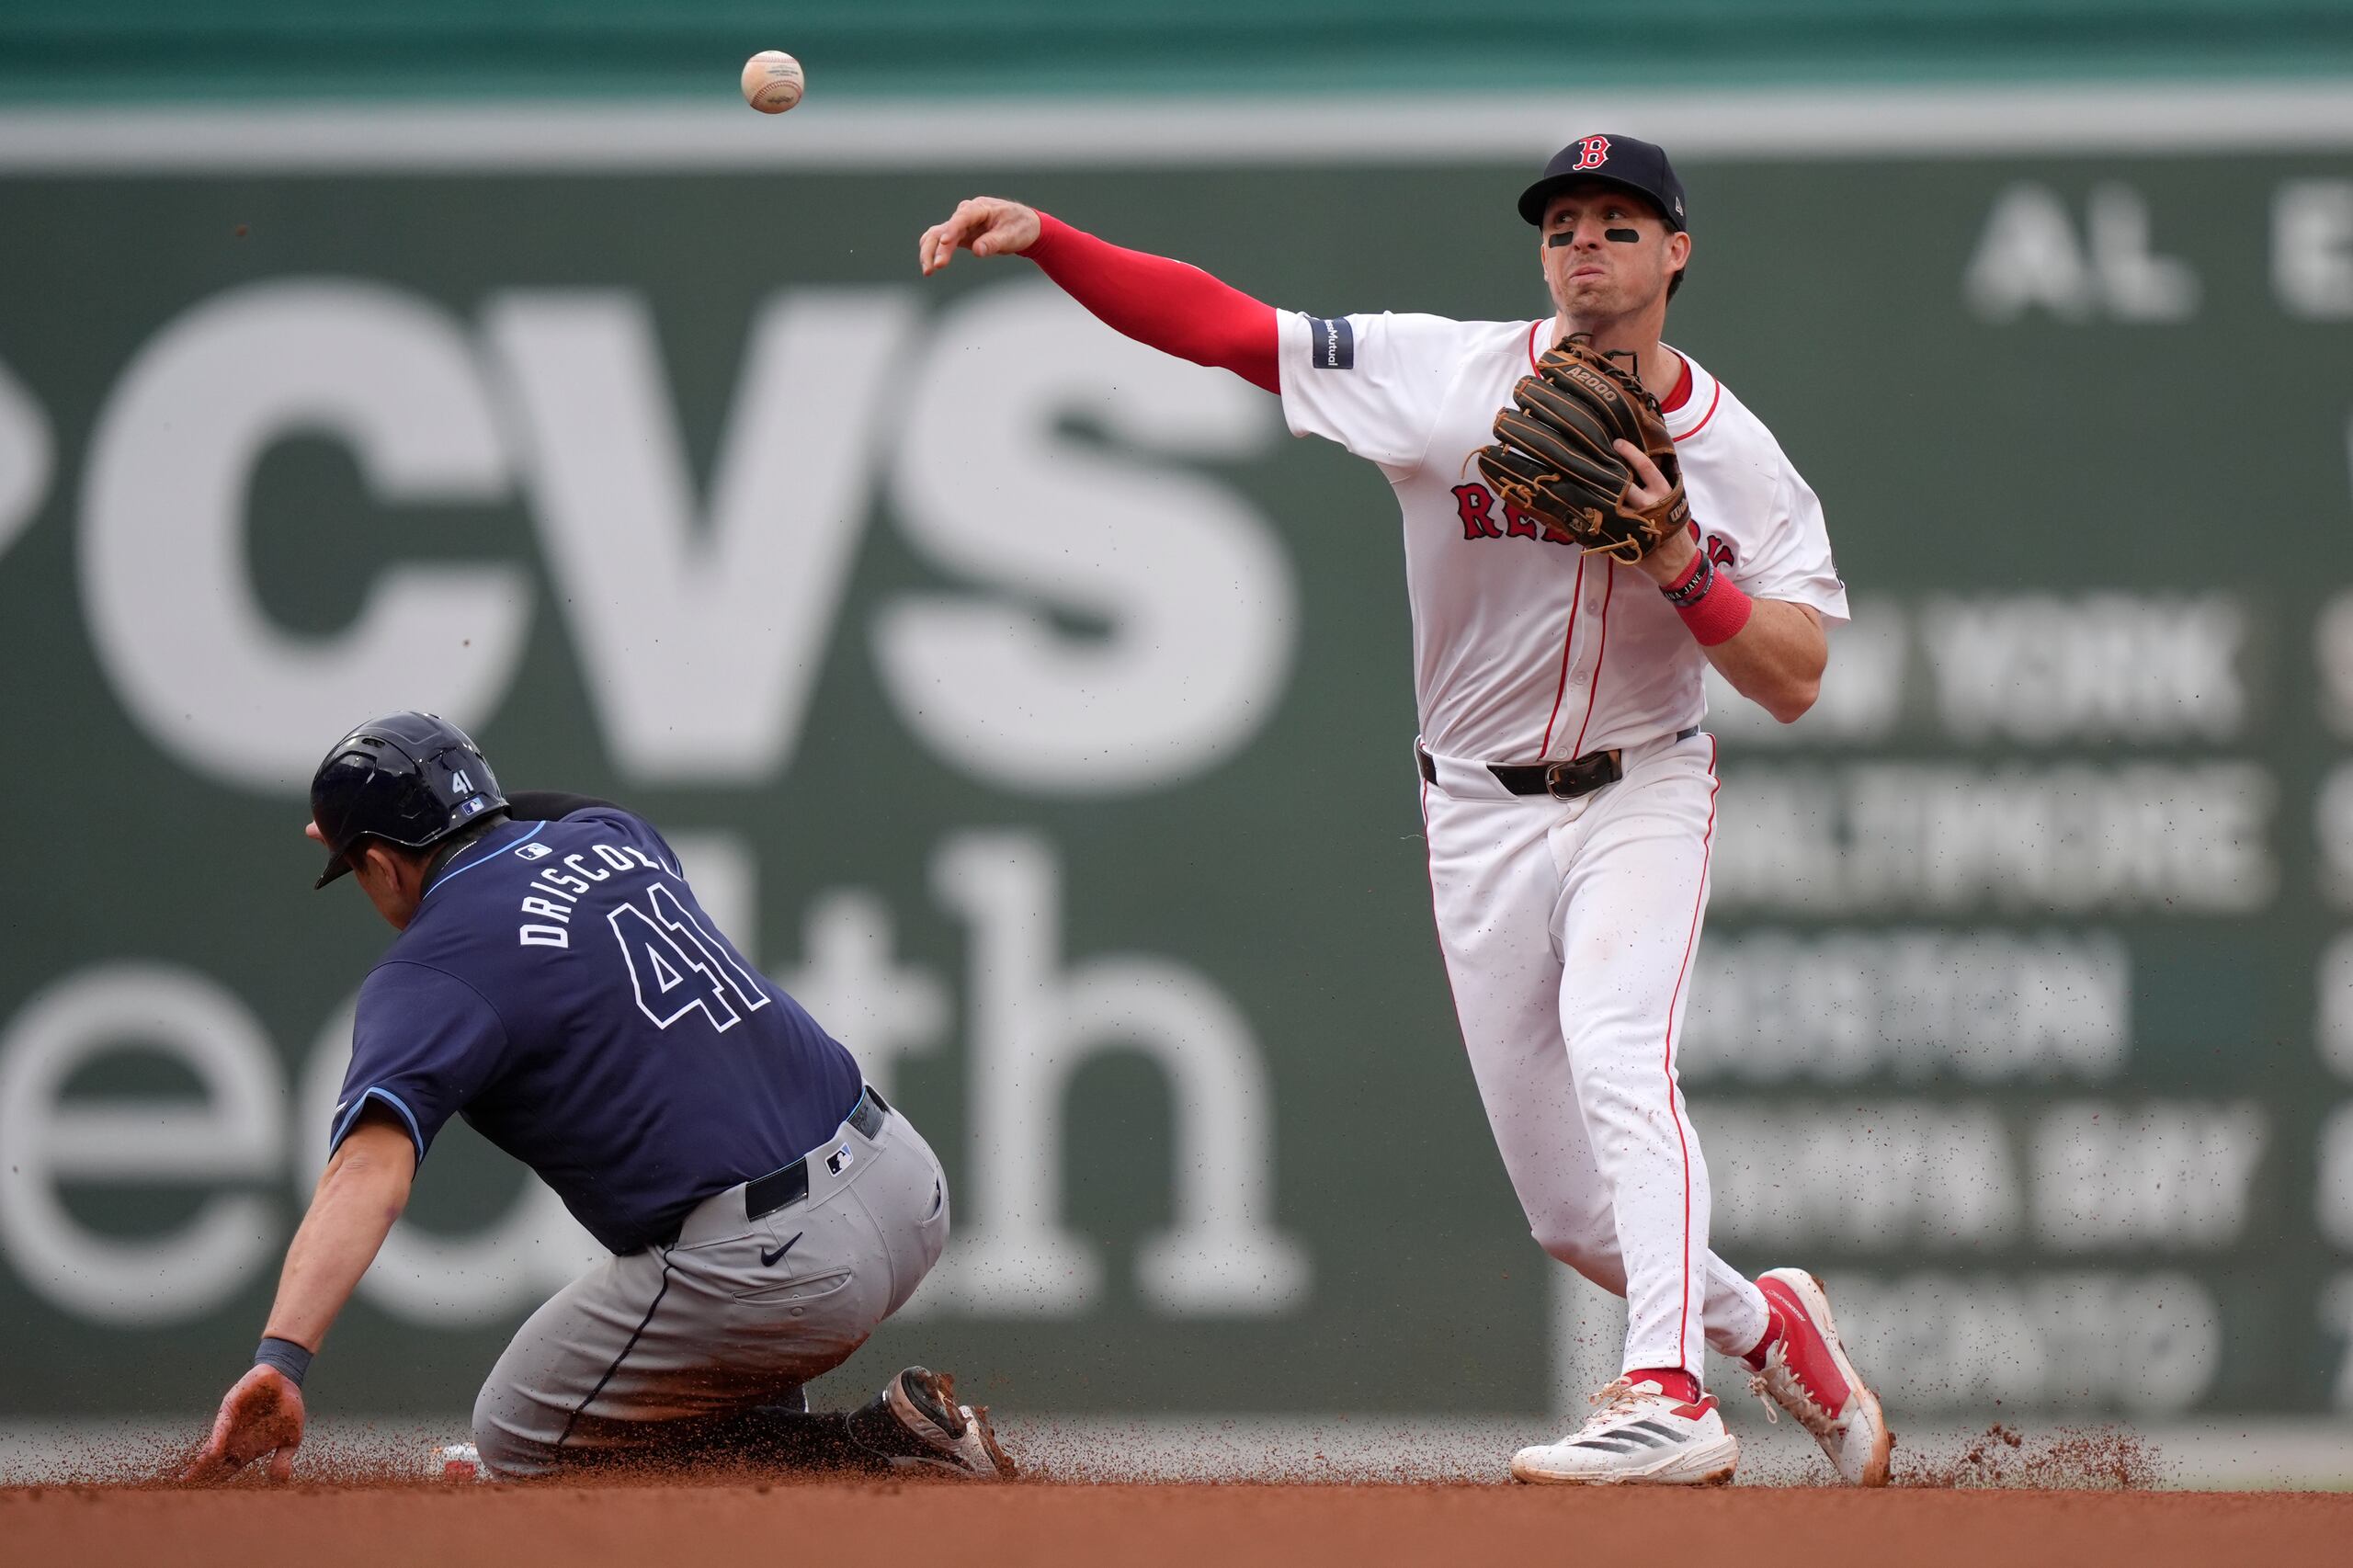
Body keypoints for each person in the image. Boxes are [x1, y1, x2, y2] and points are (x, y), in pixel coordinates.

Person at [917, 133, 1890, 1487]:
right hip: (1477, 810)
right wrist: (1055, 241)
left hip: (1642, 787)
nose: (1586, 244)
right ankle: (1769, 1325)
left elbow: (1792, 678)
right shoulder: (1441, 377)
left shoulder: (1741, 457)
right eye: (1563, 225)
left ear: (1676, 252)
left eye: (1619, 221)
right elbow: (1225, 331)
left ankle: (1670, 1388)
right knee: (1566, 1209)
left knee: (1621, 1055)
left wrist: (1677, 558)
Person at [182, 711, 1013, 1483]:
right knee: (679, 1364)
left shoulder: (430, 970)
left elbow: (369, 1175)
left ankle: (878, 1447)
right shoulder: (612, 834)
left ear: (374, 861)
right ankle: (877, 1436)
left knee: (514, 1433)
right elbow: (526, 820)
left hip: (777, 1269)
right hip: (905, 1186)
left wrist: (282, 1358)